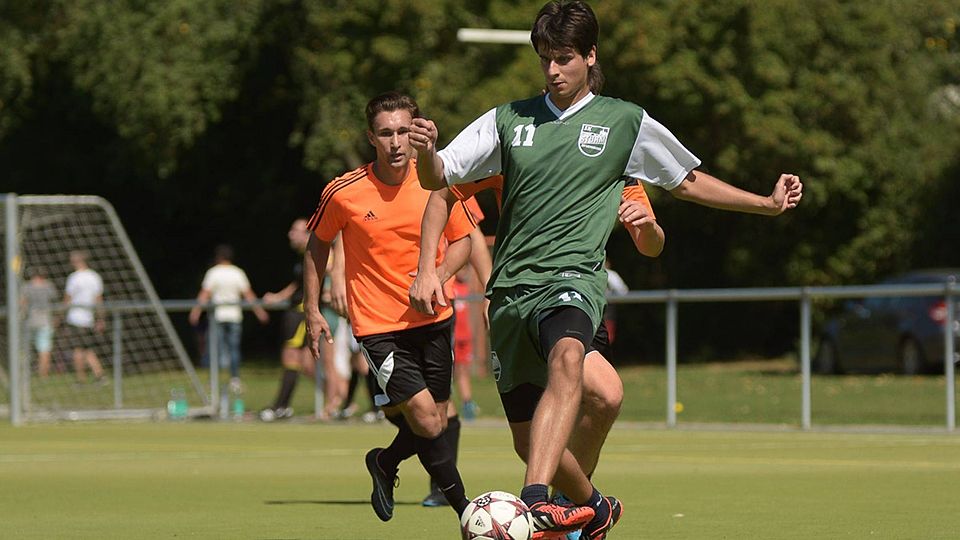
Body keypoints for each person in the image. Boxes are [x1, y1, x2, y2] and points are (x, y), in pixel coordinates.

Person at [409, 2, 802, 537]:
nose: (553, 70)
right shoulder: (509, 119)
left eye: (564, 58)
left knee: (571, 359)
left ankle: (534, 502)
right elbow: (440, 178)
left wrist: (766, 204)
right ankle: (594, 508)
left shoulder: (625, 121)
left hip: (573, 281)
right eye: (546, 59)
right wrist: (427, 152)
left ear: (590, 56)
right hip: (509, 295)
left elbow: (687, 180)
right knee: (528, 441)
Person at [412, 174, 661, 538]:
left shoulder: (617, 158)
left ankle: (555, 503)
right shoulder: (520, 142)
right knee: (528, 441)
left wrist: (649, 226)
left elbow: (651, 245)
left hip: (575, 299)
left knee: (606, 395)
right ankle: (592, 506)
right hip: (516, 302)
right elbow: (445, 192)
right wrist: (440, 274)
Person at [303, 91, 480, 529]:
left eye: (403, 131)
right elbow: (317, 244)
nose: (396, 142)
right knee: (422, 415)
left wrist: (437, 277)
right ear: (371, 137)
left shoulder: (437, 182)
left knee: (436, 418)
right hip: (378, 325)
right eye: (386, 133)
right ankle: (469, 515)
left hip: (435, 317)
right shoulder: (343, 191)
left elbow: (462, 240)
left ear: (415, 132)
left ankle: (384, 461)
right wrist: (312, 309)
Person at [260, 218, 325, 422]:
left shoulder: (316, 251)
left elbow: (326, 270)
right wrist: (278, 296)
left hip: (300, 312)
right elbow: (297, 284)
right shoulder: (302, 256)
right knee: (306, 363)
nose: (290, 234)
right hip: (296, 310)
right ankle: (336, 397)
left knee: (291, 357)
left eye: (295, 230)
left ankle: (281, 406)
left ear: (308, 233)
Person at [189, 244, 269, 390]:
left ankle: (213, 380)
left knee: (214, 349)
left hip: (217, 316)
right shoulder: (238, 273)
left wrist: (196, 311)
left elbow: (204, 294)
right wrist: (260, 311)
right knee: (234, 349)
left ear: (218, 257)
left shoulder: (213, 273)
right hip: (234, 316)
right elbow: (248, 294)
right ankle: (235, 379)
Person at [62, 250, 106, 384]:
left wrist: (59, 316)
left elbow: (67, 299)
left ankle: (80, 379)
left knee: (78, 350)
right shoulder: (95, 276)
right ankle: (100, 375)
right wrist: (100, 318)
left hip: (75, 317)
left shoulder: (74, 277)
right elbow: (99, 299)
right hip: (89, 318)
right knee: (87, 349)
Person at [21, 267, 58, 378]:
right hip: (46, 320)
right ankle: (43, 374)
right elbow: (54, 302)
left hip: (30, 320)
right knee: (44, 348)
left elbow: (22, 303)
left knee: (26, 348)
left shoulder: (26, 286)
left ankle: (24, 372)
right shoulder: (49, 286)